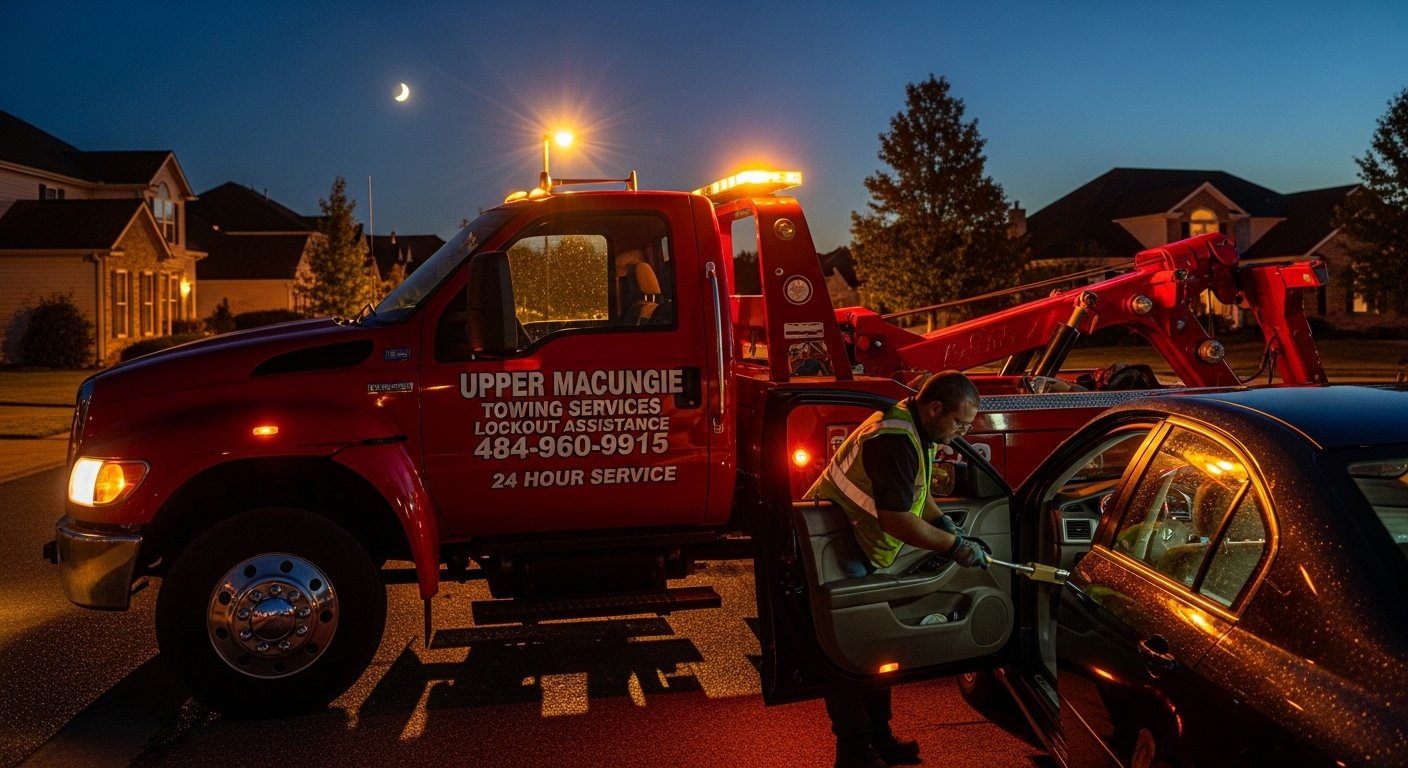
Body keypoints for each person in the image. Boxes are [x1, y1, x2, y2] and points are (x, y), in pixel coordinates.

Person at [805, 370, 990, 768]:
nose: (960, 433)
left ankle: (879, 738)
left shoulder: (917, 430)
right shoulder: (894, 438)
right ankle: (854, 751)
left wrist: (946, 525)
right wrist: (955, 545)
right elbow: (898, 520)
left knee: (873, 645)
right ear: (935, 407)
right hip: (832, 542)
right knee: (848, 649)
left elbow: (917, 498)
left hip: (851, 541)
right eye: (959, 422)